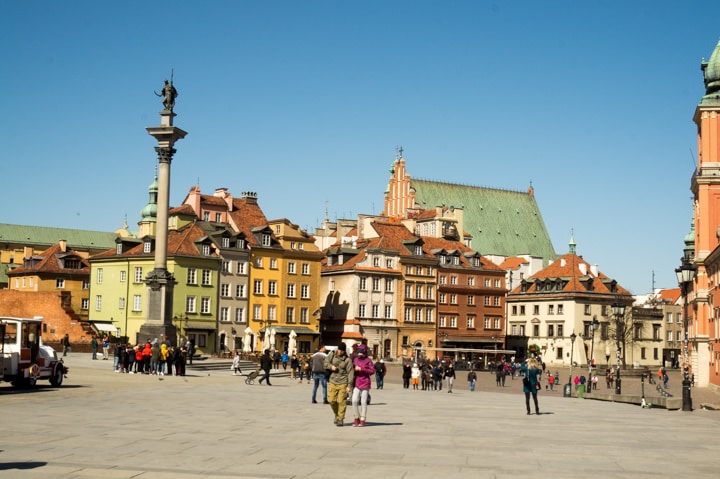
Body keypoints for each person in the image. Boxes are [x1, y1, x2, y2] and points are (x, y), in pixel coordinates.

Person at [324, 342, 354, 427]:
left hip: (343, 382)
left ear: (344, 351)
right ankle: (337, 414)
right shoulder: (332, 355)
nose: (340, 352)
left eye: (342, 350)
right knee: (331, 400)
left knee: (341, 401)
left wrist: (349, 385)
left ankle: (340, 419)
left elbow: (350, 372)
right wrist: (331, 367)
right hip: (332, 381)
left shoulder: (347, 360)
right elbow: (325, 363)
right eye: (339, 349)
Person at [351, 344, 375, 427]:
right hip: (357, 382)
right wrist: (355, 369)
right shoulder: (355, 360)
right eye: (358, 352)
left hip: (365, 382)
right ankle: (356, 417)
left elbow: (372, 371)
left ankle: (362, 418)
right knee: (354, 400)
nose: (359, 354)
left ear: (364, 352)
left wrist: (362, 369)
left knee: (363, 401)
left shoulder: (368, 360)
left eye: (361, 352)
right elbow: (352, 369)